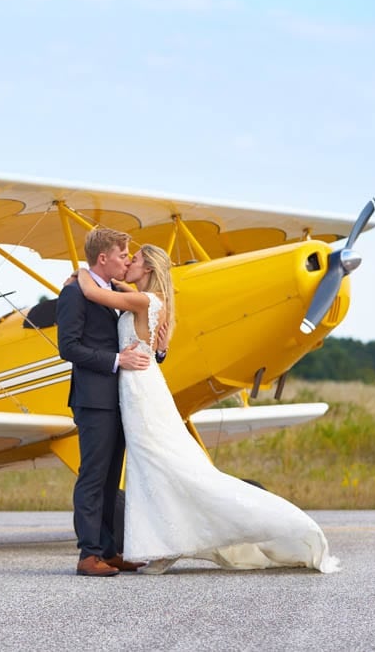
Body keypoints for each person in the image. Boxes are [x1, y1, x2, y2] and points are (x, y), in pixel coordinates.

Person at [75, 243, 341, 574]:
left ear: (148, 270)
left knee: (160, 464)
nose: (129, 261)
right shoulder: (147, 299)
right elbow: (126, 297)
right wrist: (115, 282)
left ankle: (168, 546)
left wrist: (85, 272)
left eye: (136, 259)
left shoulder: (144, 301)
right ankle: (159, 545)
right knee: (149, 468)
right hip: (135, 391)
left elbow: (95, 293)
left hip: (142, 394)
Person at [57, 227, 151, 577]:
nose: (127, 260)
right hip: (93, 400)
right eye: (121, 254)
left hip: (119, 400)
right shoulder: (74, 294)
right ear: (102, 258)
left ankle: (109, 551)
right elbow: (68, 348)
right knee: (93, 476)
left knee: (113, 477)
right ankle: (88, 555)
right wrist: (116, 360)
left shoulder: (110, 292)